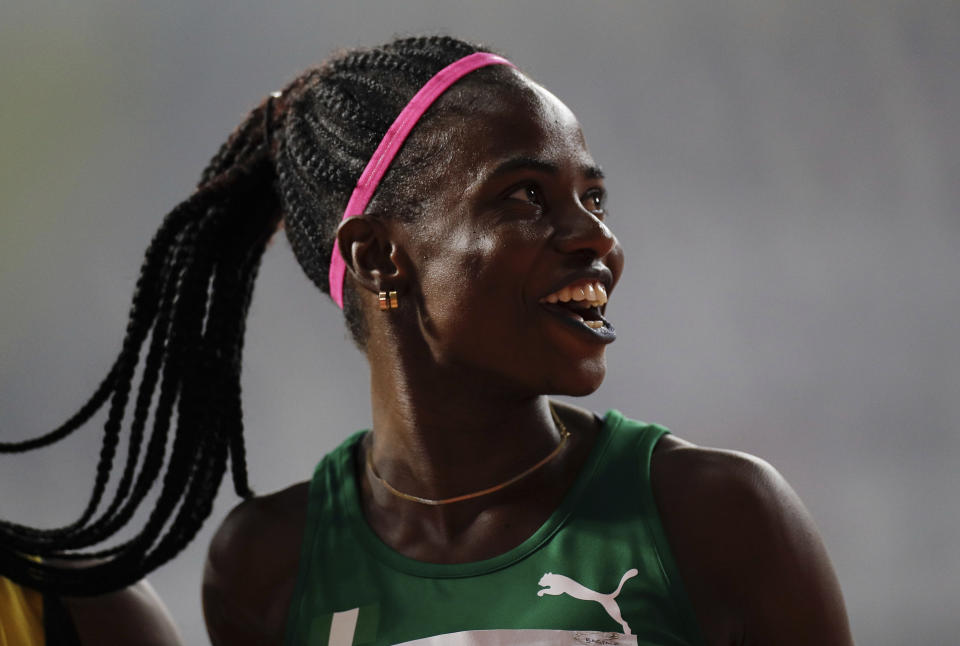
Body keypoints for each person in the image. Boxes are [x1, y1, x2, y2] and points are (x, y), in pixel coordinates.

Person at [2, 35, 854, 645]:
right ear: (379, 258)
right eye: (525, 197)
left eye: (592, 197)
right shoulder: (266, 569)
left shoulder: (721, 519)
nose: (596, 238)